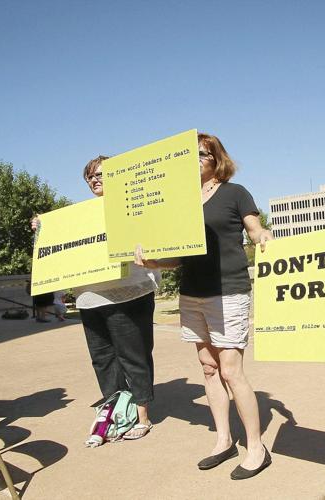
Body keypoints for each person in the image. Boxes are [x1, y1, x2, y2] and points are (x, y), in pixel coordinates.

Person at [136, 133, 273, 480]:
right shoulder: (181, 202)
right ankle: (224, 440)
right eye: (190, 154)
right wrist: (154, 263)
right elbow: (179, 257)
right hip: (192, 292)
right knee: (208, 368)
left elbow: (254, 229)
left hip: (227, 291)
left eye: (202, 153)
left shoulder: (235, 193)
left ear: (216, 158)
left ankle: (256, 447)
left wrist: (263, 237)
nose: (195, 158)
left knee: (230, 369)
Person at [31, 155, 160, 441]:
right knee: (102, 357)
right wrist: (44, 229)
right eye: (90, 177)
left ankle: (142, 415)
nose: (95, 180)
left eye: (102, 174)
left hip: (128, 292)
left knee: (133, 354)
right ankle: (114, 411)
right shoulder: (79, 216)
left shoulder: (135, 207)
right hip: (90, 296)